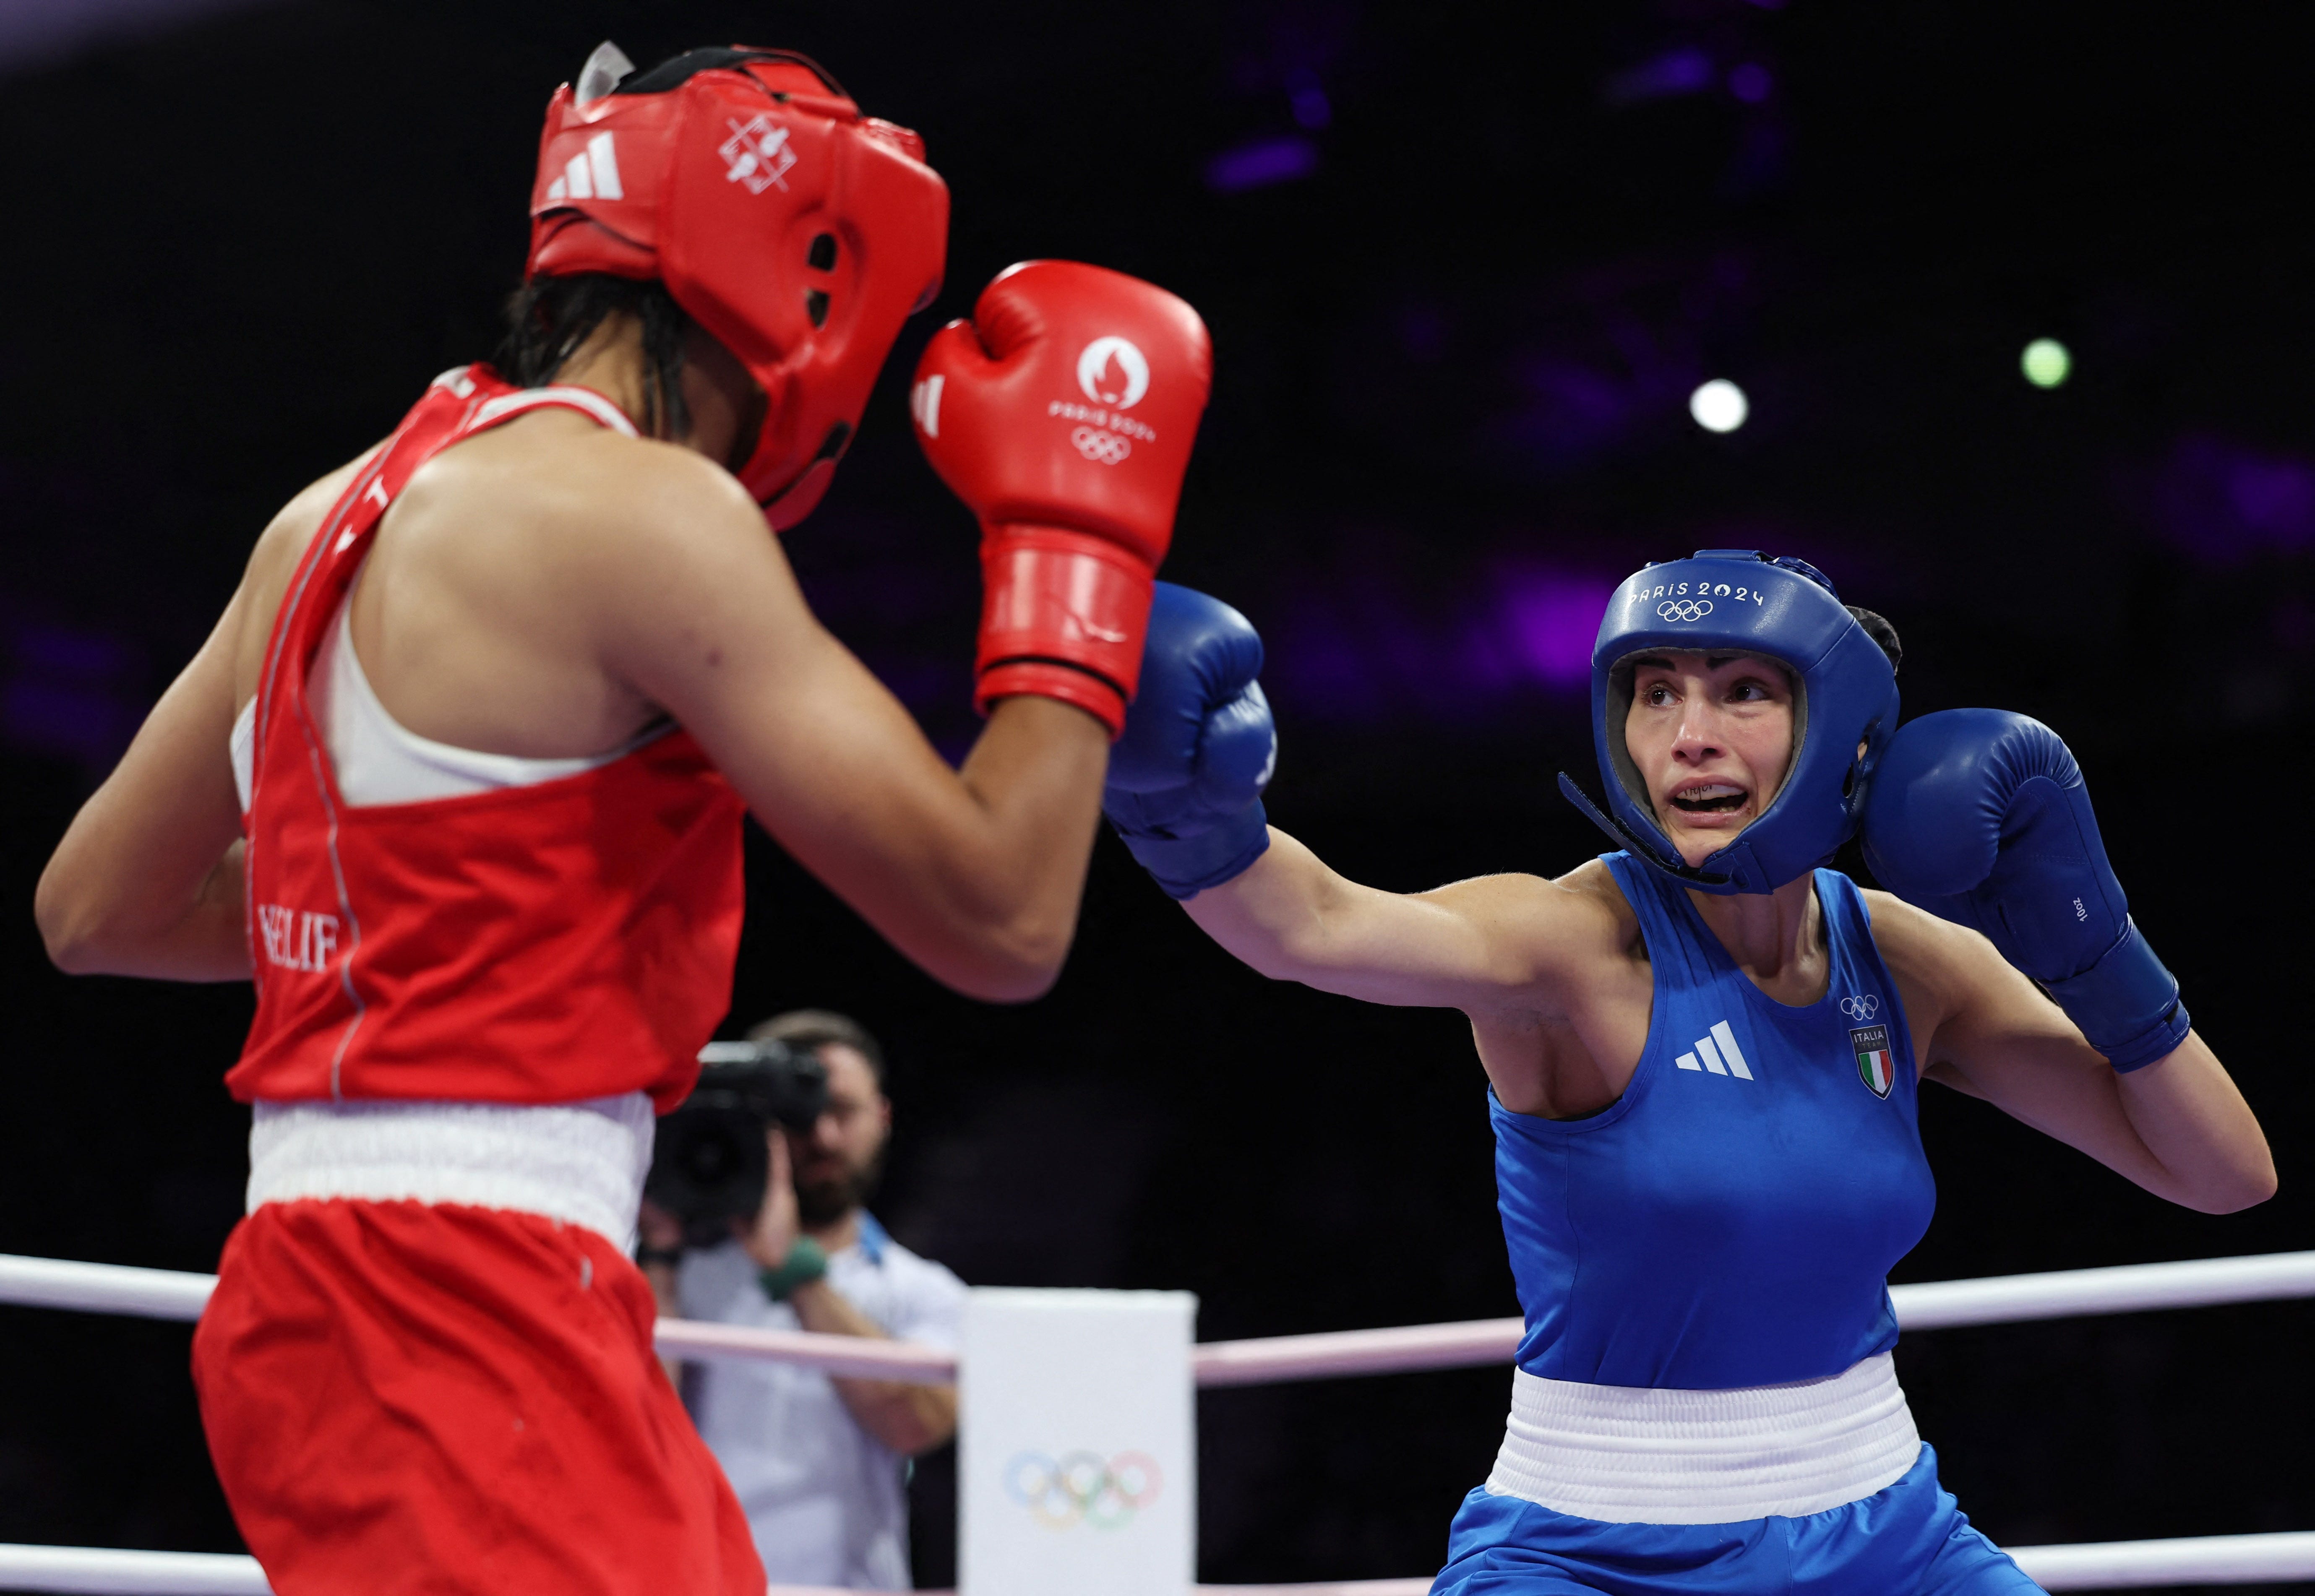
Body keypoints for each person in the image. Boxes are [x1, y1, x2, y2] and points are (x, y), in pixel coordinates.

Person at [33, 40, 1210, 1596]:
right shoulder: (645, 514)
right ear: (810, 272)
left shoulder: (332, 513)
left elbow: (97, 906)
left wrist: (424, 930)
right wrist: (1080, 541)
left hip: (347, 1287)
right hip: (466, 1299)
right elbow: (1002, 918)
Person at [1102, 556, 2274, 1595]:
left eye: (1741, 690)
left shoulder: (1906, 960)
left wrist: (2095, 948)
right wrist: (1187, 813)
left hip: (1886, 1530)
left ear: (1845, 733)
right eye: (1654, 689)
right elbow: (1309, 927)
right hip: (1592, 1545)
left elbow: (2218, 1173)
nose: (1686, 732)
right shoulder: (1570, 941)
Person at [640, 1011, 964, 1592]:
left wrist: (793, 1268)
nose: (824, 1138)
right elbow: (635, 1429)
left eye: (843, 1111)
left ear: (883, 1117)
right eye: (801, 1117)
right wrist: (661, 1253)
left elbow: (918, 1425)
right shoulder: (674, 1274)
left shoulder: (922, 1290)